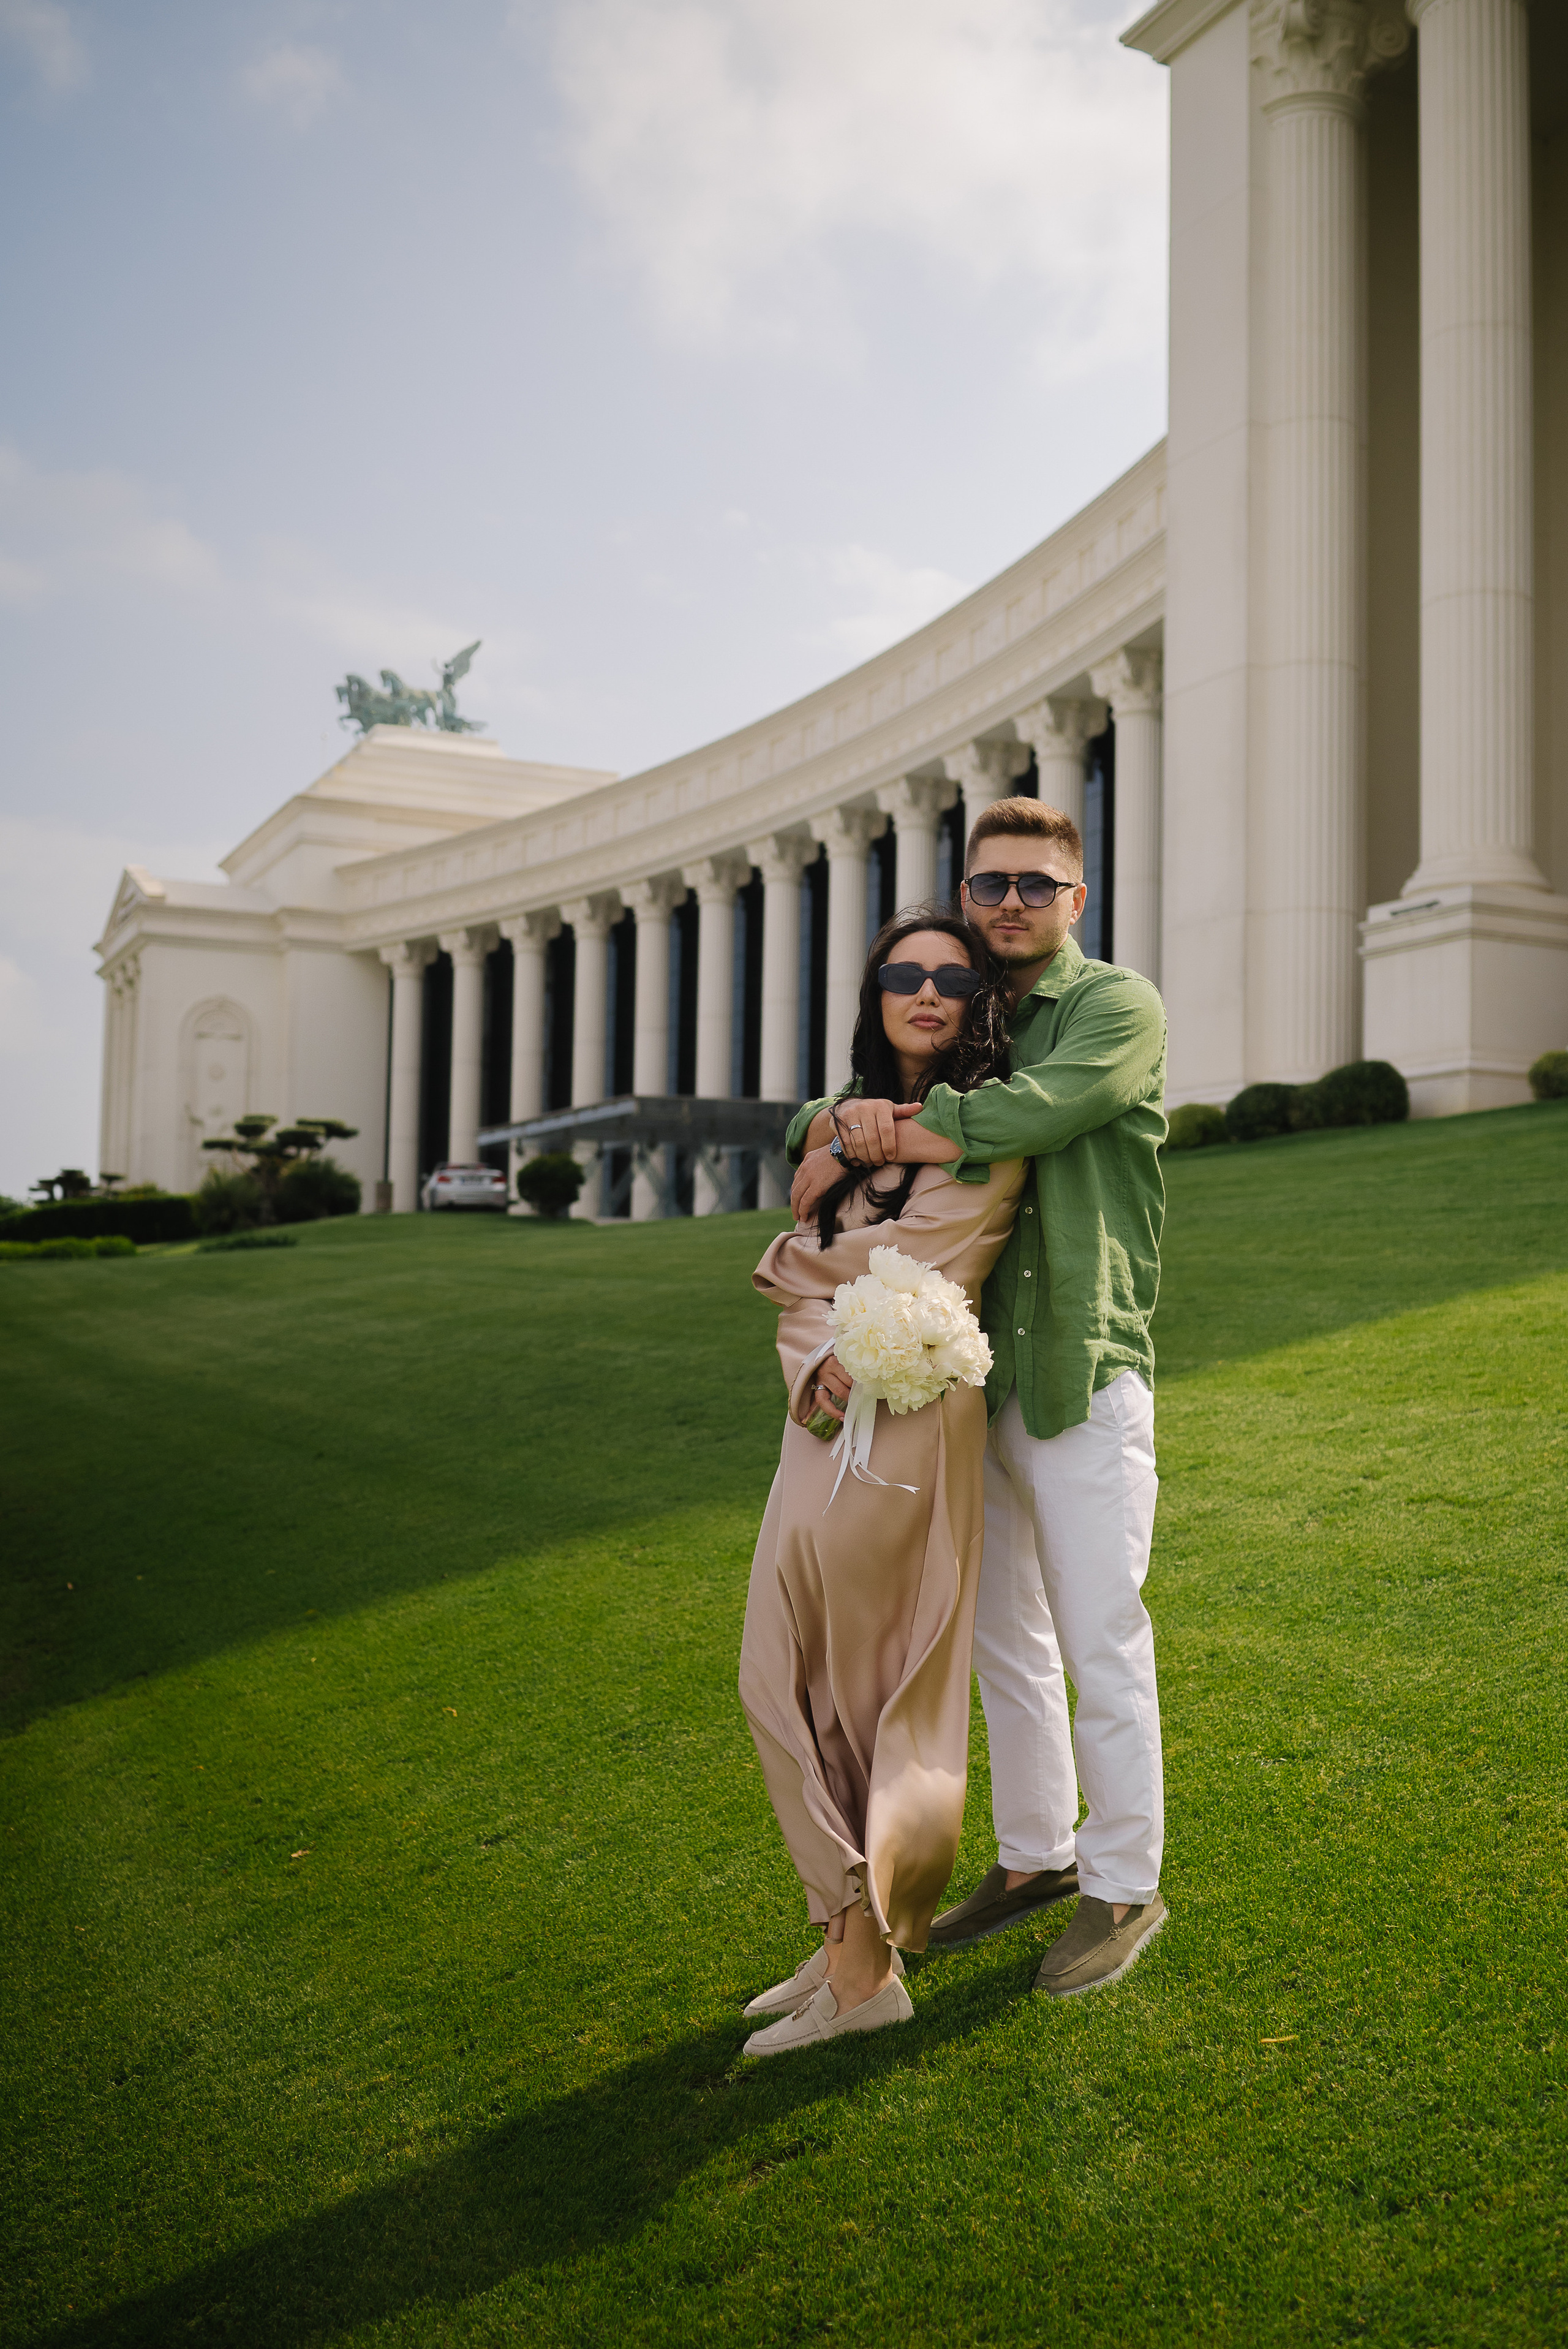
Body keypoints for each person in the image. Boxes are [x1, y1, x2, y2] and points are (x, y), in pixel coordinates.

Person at [788, 796, 1168, 1999]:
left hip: (1076, 1366)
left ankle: (1123, 1885)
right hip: (963, 1382)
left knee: (1099, 1632)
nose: (1011, 904)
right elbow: (823, 1111)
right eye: (990, 884)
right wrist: (844, 1119)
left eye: (1035, 886)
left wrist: (885, 1128)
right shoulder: (964, 1011)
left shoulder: (1109, 1008)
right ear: (966, 897)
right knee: (1003, 1633)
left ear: (1075, 899)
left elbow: (1028, 1116)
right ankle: (1037, 1860)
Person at [738, 909, 1025, 2057]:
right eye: (904, 974)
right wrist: (814, 1354)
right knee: (777, 1669)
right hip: (822, 1413)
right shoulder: (844, 1125)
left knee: (864, 1687)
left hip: (910, 1419)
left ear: (976, 1001)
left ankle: (866, 1971)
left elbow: (928, 1262)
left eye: (952, 977)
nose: (928, 991)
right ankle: (840, 1924)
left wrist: (819, 1250)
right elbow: (817, 1291)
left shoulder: (988, 1129)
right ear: (876, 992)